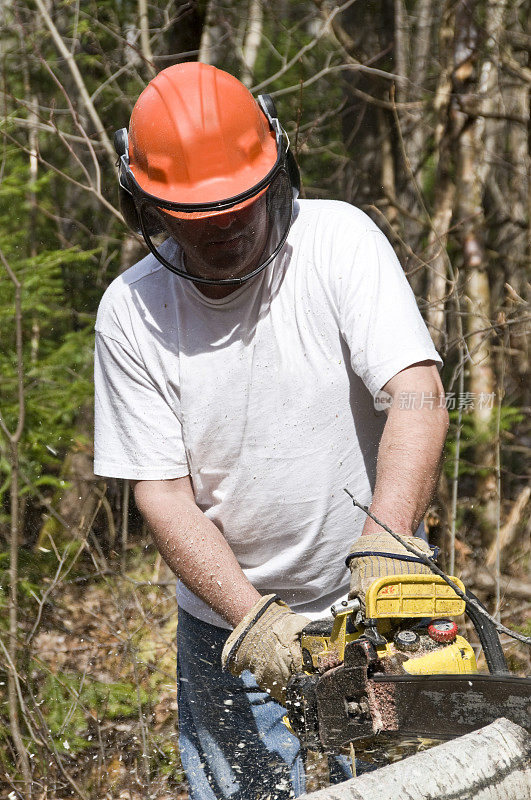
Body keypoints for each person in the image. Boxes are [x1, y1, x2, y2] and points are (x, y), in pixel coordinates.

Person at [94, 61, 449, 799]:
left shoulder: (338, 241)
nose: (223, 232)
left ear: (273, 171)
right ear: (150, 207)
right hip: (226, 615)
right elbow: (160, 492)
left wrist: (387, 538)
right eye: (200, 222)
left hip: (376, 592)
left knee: (418, 784)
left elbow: (415, 391)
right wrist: (247, 617)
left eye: (236, 211)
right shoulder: (131, 314)